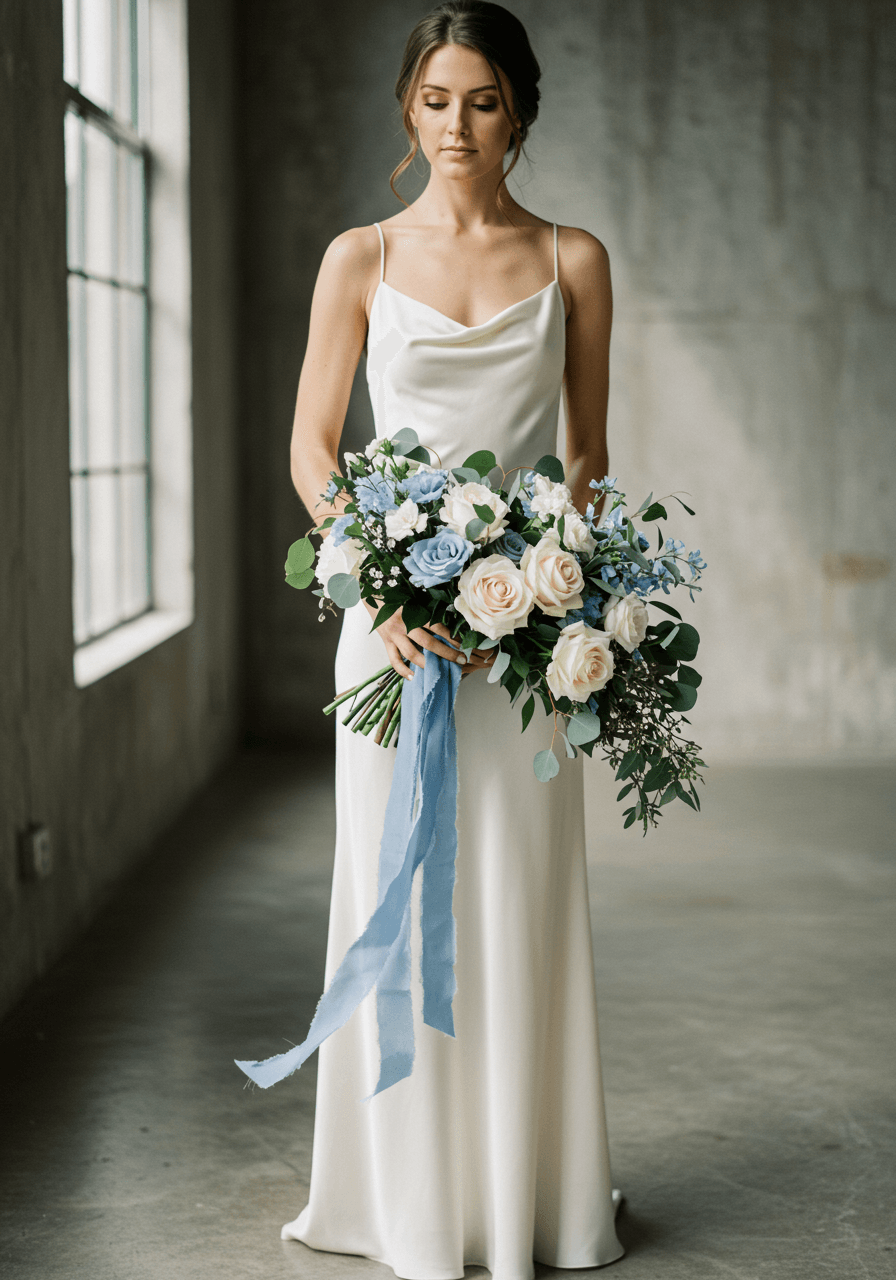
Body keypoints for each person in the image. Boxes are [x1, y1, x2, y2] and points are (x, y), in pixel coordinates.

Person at [285, 3, 624, 1277]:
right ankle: (404, 1202)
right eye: (435, 99)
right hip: (393, 643)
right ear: (406, 108)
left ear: (518, 112)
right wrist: (380, 585)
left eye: (481, 101)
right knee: (391, 891)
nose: (456, 125)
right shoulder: (358, 258)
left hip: (524, 646)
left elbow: (584, 460)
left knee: (513, 896)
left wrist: (541, 594)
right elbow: (317, 453)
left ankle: (521, 1193)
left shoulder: (574, 259)